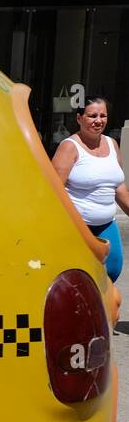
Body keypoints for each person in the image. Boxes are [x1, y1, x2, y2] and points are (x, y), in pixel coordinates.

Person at [53, 96, 128, 282]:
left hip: (106, 224)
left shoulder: (112, 144)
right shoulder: (69, 148)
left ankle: (100, 309)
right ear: (79, 118)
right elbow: (53, 192)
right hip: (77, 227)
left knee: (112, 271)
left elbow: (119, 188)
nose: (98, 120)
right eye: (92, 115)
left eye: (103, 115)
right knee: (76, 278)